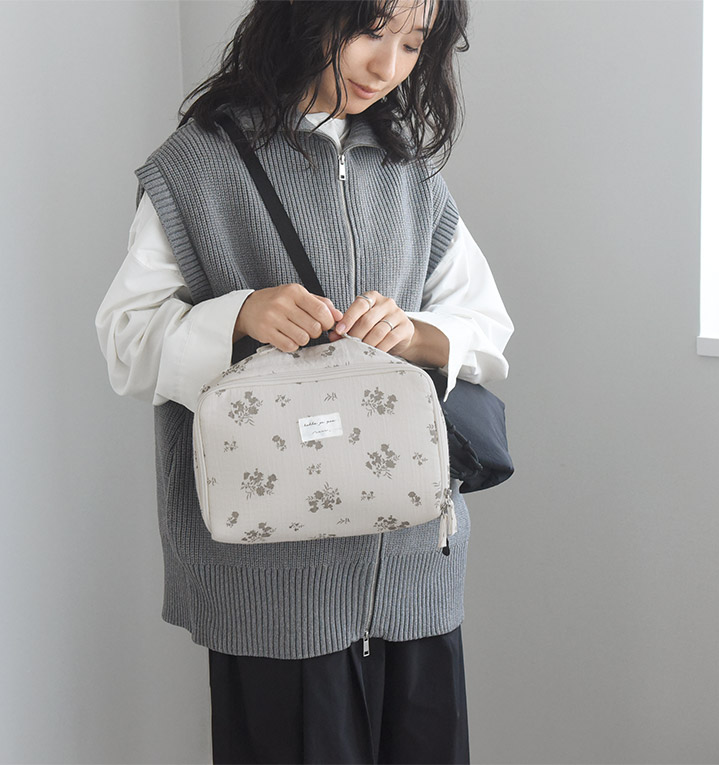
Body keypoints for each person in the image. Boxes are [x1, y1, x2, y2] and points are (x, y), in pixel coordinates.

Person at [96, 1, 513, 762]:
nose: (387, 66)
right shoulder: (197, 165)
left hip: (412, 565)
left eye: (413, 44)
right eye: (371, 31)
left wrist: (417, 333)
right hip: (272, 585)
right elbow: (126, 340)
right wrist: (238, 316)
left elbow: (486, 327)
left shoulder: (410, 172)